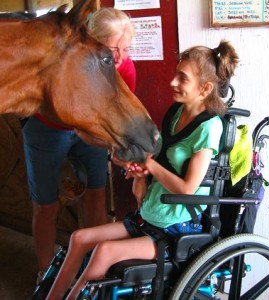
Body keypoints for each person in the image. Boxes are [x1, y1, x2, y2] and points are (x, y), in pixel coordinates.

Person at [46, 40, 239, 300]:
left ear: (204, 89)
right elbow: (158, 156)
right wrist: (140, 175)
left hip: (177, 227)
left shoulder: (209, 128)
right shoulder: (176, 112)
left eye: (182, 78)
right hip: (151, 215)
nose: (173, 82)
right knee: (79, 237)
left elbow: (187, 188)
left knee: (104, 250)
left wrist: (150, 166)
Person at [22, 7, 136, 284]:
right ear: (89, 42)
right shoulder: (65, 63)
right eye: (113, 48)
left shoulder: (125, 67)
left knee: (96, 196)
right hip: (48, 129)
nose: (121, 57)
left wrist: (118, 148)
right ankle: (45, 273)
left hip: (91, 132)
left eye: (127, 47)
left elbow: (121, 113)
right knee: (45, 206)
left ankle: (91, 269)